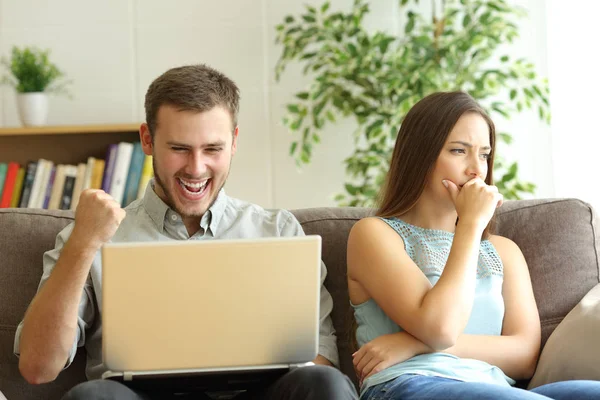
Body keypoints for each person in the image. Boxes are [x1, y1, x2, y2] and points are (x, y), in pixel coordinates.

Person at [14, 64, 358, 400]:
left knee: (324, 383)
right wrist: (83, 245)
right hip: (138, 395)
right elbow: (37, 368)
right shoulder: (91, 236)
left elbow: (320, 362)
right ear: (147, 140)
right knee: (93, 396)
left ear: (234, 142)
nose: (196, 168)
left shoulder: (279, 231)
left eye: (212, 149)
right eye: (179, 149)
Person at [346, 91, 600, 400]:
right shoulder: (374, 235)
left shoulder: (504, 251)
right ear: (420, 157)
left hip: (493, 388)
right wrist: (469, 224)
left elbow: (524, 355)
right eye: (458, 151)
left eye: (484, 154)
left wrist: (412, 343)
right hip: (409, 384)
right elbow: (439, 328)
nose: (476, 169)